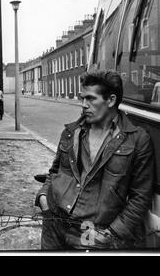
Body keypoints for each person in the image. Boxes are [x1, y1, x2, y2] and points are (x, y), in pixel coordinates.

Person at [36, 70, 154, 250]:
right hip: (54, 225)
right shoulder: (71, 132)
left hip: (91, 234)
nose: (83, 105)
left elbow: (140, 196)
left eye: (91, 99)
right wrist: (44, 197)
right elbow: (55, 171)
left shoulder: (137, 140)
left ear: (111, 100)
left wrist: (111, 234)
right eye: (82, 98)